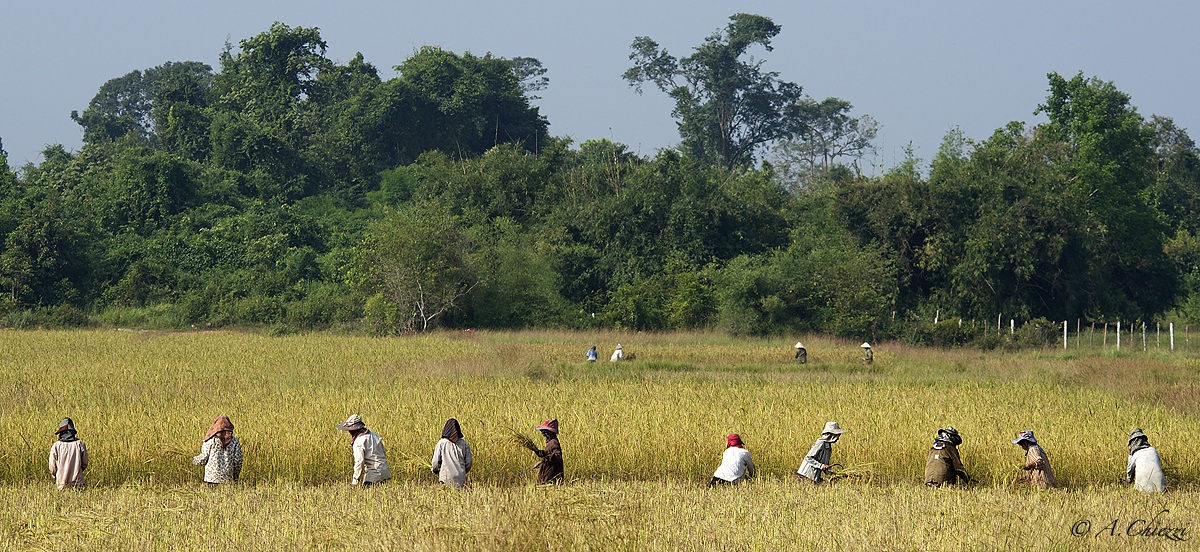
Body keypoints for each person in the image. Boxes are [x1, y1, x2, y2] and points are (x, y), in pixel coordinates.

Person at [336, 414, 391, 486]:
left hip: (373, 475)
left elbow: (359, 462)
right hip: (386, 472)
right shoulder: (375, 435)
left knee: (369, 495)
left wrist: (355, 481)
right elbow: (383, 453)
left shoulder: (359, 442)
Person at [192, 415, 243, 484]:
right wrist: (235, 476)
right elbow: (238, 460)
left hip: (211, 479)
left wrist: (194, 460)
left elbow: (204, 457)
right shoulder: (234, 441)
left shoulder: (210, 441)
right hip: (227, 478)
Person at [431, 418, 473, 488]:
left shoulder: (441, 443)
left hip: (445, 478)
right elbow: (469, 463)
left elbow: (435, 462)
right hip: (460, 479)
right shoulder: (464, 444)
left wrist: (435, 470)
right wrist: (462, 472)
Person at [48, 417, 88, 490]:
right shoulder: (80, 444)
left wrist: (56, 475)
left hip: (61, 484)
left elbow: (52, 466)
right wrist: (78, 471)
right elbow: (84, 463)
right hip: (78, 483)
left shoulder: (57, 446)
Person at [1125, 427, 1165, 493]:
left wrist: (1128, 481)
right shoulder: (1153, 450)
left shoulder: (1133, 455)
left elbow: (1129, 476)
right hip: (1161, 486)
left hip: (1143, 488)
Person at [533, 419, 564, 484]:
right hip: (547, 478)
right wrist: (541, 463)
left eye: (545, 432)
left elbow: (557, 457)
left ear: (551, 432)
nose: (543, 434)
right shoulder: (550, 443)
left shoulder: (554, 443)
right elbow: (550, 458)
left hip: (552, 479)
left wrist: (544, 454)